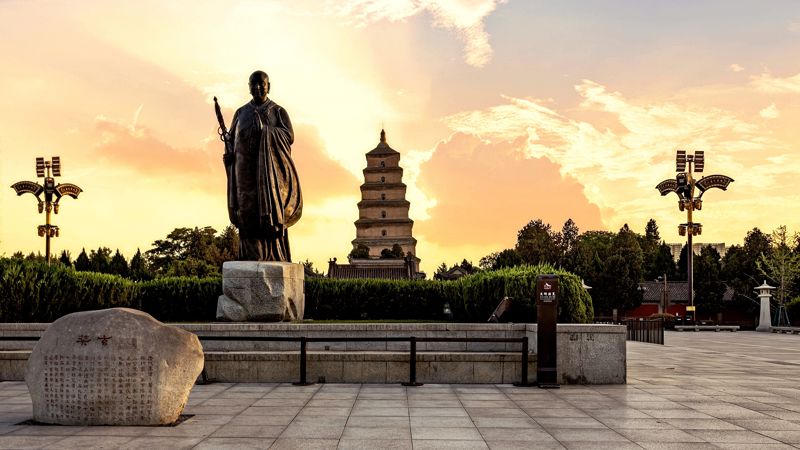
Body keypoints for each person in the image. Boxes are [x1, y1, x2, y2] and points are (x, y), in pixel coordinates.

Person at [223, 71, 302, 261]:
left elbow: (289, 136)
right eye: (253, 84)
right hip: (244, 172)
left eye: (261, 84)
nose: (257, 87)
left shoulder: (277, 111)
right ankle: (250, 256)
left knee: (268, 215)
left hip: (268, 174)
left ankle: (272, 255)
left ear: (268, 86)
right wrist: (229, 154)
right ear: (248, 86)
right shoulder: (241, 113)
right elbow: (232, 139)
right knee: (246, 212)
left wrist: (266, 131)